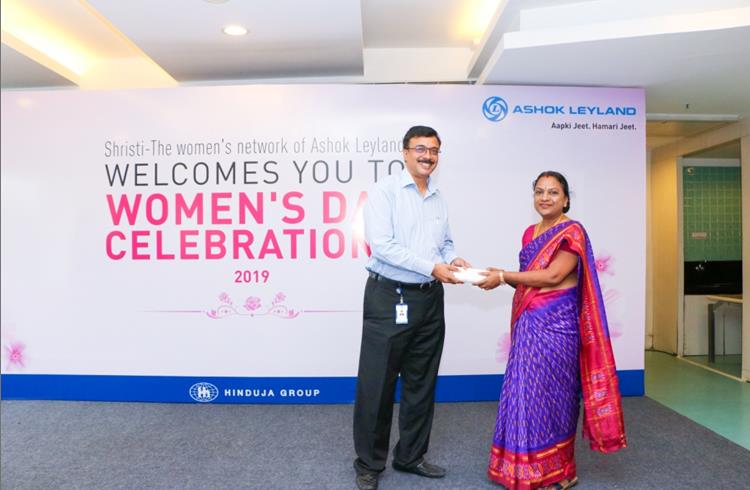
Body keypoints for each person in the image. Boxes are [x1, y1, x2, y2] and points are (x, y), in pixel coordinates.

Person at [476, 171, 626, 490]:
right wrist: (504, 277)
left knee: (555, 396)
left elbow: (554, 276)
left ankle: (563, 471)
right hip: (529, 321)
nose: (545, 197)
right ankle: (524, 469)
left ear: (566, 199)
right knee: (523, 392)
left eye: (553, 192)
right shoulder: (530, 232)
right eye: (540, 192)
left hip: (558, 326)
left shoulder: (572, 231)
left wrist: (503, 276)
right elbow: (531, 277)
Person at [352, 125, 470, 490]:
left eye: (434, 150)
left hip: (430, 299)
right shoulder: (384, 191)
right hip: (389, 298)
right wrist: (432, 266)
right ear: (404, 152)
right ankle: (370, 463)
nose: (427, 156)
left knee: (422, 382)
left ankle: (410, 457)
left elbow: (444, 243)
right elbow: (382, 245)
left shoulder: (438, 196)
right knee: (378, 385)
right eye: (420, 149)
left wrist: (453, 259)